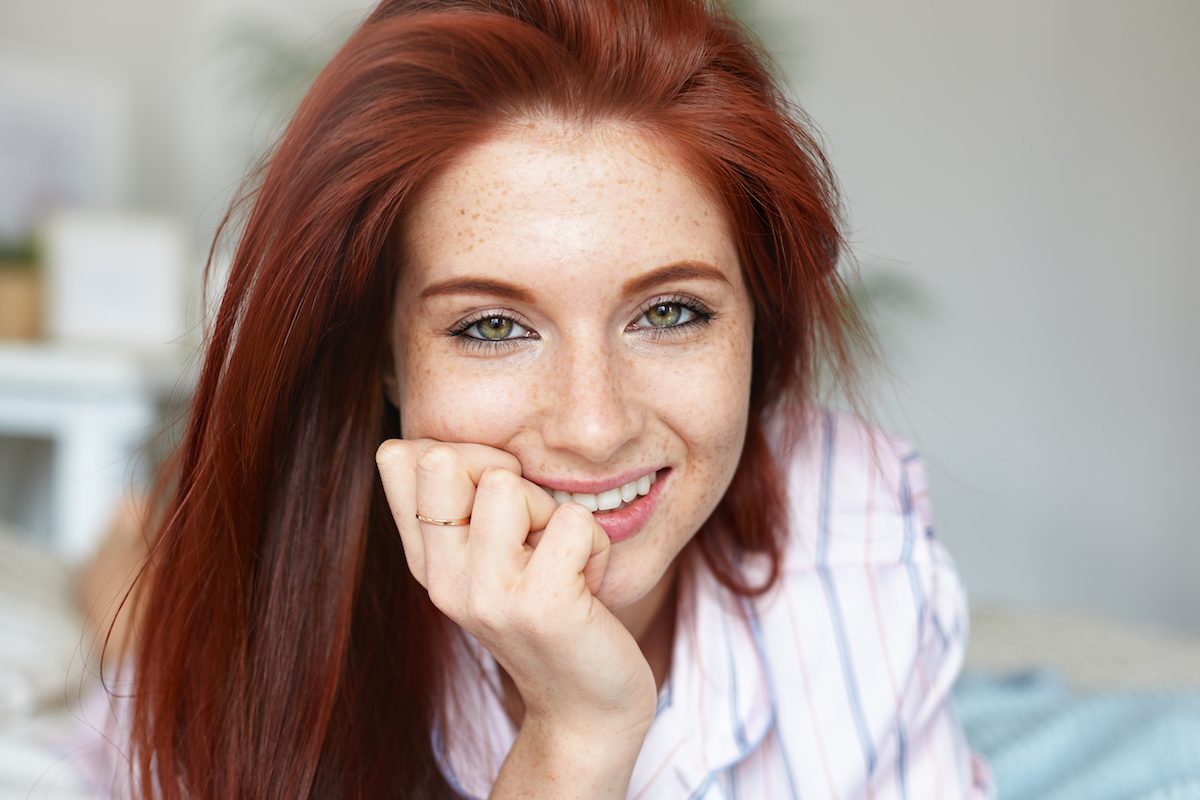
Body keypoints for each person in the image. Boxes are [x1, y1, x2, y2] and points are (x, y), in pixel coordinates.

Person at [112, 0, 994, 797]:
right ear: (383, 357)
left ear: (759, 322)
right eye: (493, 327)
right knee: (126, 638)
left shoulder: (855, 529)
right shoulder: (258, 640)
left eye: (671, 312)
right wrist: (577, 735)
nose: (594, 427)